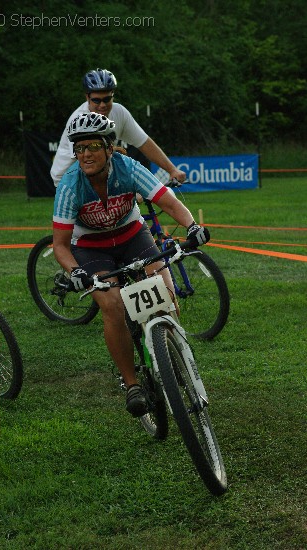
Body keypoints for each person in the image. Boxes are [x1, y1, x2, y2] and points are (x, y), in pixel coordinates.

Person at [52, 113, 209, 418]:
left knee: (166, 293)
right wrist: (76, 272)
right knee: (112, 307)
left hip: (133, 236)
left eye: (92, 147)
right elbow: (60, 244)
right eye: (79, 148)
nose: (85, 154)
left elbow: (168, 201)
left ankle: (171, 352)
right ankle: (132, 382)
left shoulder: (128, 168)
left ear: (109, 148)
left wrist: (191, 226)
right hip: (91, 249)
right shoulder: (70, 186)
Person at [50, 68, 186, 186]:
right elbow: (85, 160)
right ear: (87, 97)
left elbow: (144, 143)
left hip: (96, 172)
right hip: (69, 178)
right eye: (96, 100)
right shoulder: (79, 120)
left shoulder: (119, 112)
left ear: (112, 96)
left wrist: (172, 169)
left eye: (107, 99)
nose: (102, 105)